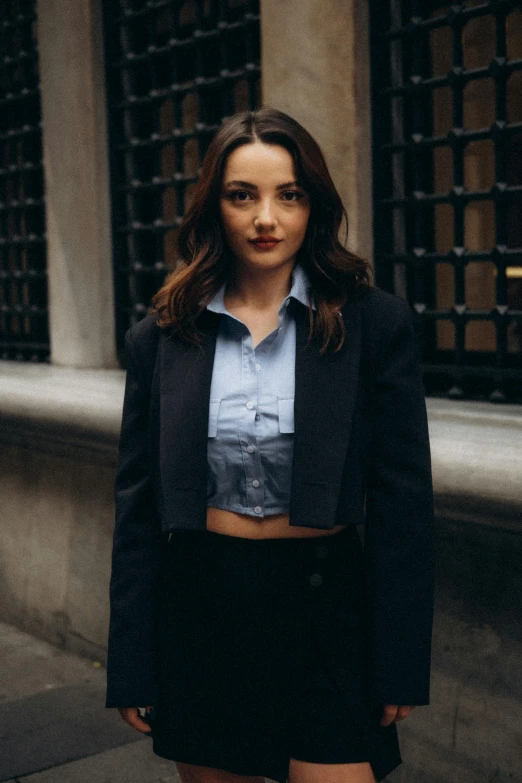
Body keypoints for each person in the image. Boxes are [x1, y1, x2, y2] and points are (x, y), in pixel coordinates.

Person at [106, 106, 435, 783]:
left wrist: (399, 655)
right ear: (214, 208)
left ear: (313, 205)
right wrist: (133, 658)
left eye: (289, 194)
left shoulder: (375, 324)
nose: (266, 217)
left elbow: (405, 506)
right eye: (242, 195)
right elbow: (137, 511)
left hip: (326, 603)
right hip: (201, 604)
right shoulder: (162, 337)